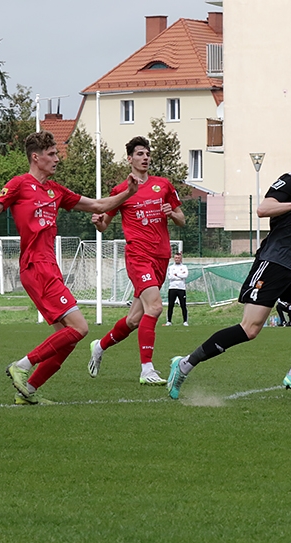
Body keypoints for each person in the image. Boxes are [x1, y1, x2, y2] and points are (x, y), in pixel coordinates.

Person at [0, 131, 139, 404]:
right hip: (35, 267)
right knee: (80, 328)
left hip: (49, 268)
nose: (56, 160)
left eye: (56, 154)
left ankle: (28, 391)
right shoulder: (19, 185)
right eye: (51, 154)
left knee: (68, 338)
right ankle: (22, 365)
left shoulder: (56, 191)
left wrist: (129, 192)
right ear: (35, 157)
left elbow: (99, 204)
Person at [167, 136, 291, 398]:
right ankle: (185, 364)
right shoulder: (289, 182)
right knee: (250, 329)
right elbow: (263, 209)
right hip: (271, 264)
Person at [87, 136, 186, 386]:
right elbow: (104, 225)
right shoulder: (121, 190)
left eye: (147, 153)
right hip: (138, 256)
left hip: (161, 256)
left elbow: (182, 220)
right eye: (140, 154)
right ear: (129, 158)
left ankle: (100, 346)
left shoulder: (163, 185)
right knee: (155, 308)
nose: (145, 158)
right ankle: (147, 370)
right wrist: (98, 222)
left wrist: (172, 213)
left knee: (133, 319)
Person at [166, 252, 189, 326]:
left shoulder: (184, 267)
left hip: (181, 288)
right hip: (172, 287)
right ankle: (169, 321)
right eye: (176, 258)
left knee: (183, 305)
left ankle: (185, 321)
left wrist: (177, 275)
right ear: (174, 258)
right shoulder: (171, 267)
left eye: (178, 258)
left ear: (181, 258)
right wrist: (180, 276)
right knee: (171, 305)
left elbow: (185, 275)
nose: (177, 259)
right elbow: (170, 277)